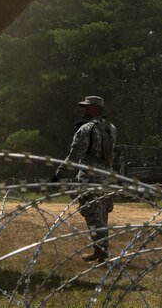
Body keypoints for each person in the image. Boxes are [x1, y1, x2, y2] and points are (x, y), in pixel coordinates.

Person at [51, 95, 117, 262]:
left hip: (91, 178)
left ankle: (101, 252)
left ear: (95, 108)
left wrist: (58, 175)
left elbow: (74, 156)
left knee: (93, 216)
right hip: (107, 177)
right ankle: (100, 251)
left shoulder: (87, 129)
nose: (82, 109)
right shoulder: (111, 128)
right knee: (101, 215)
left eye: (86, 106)